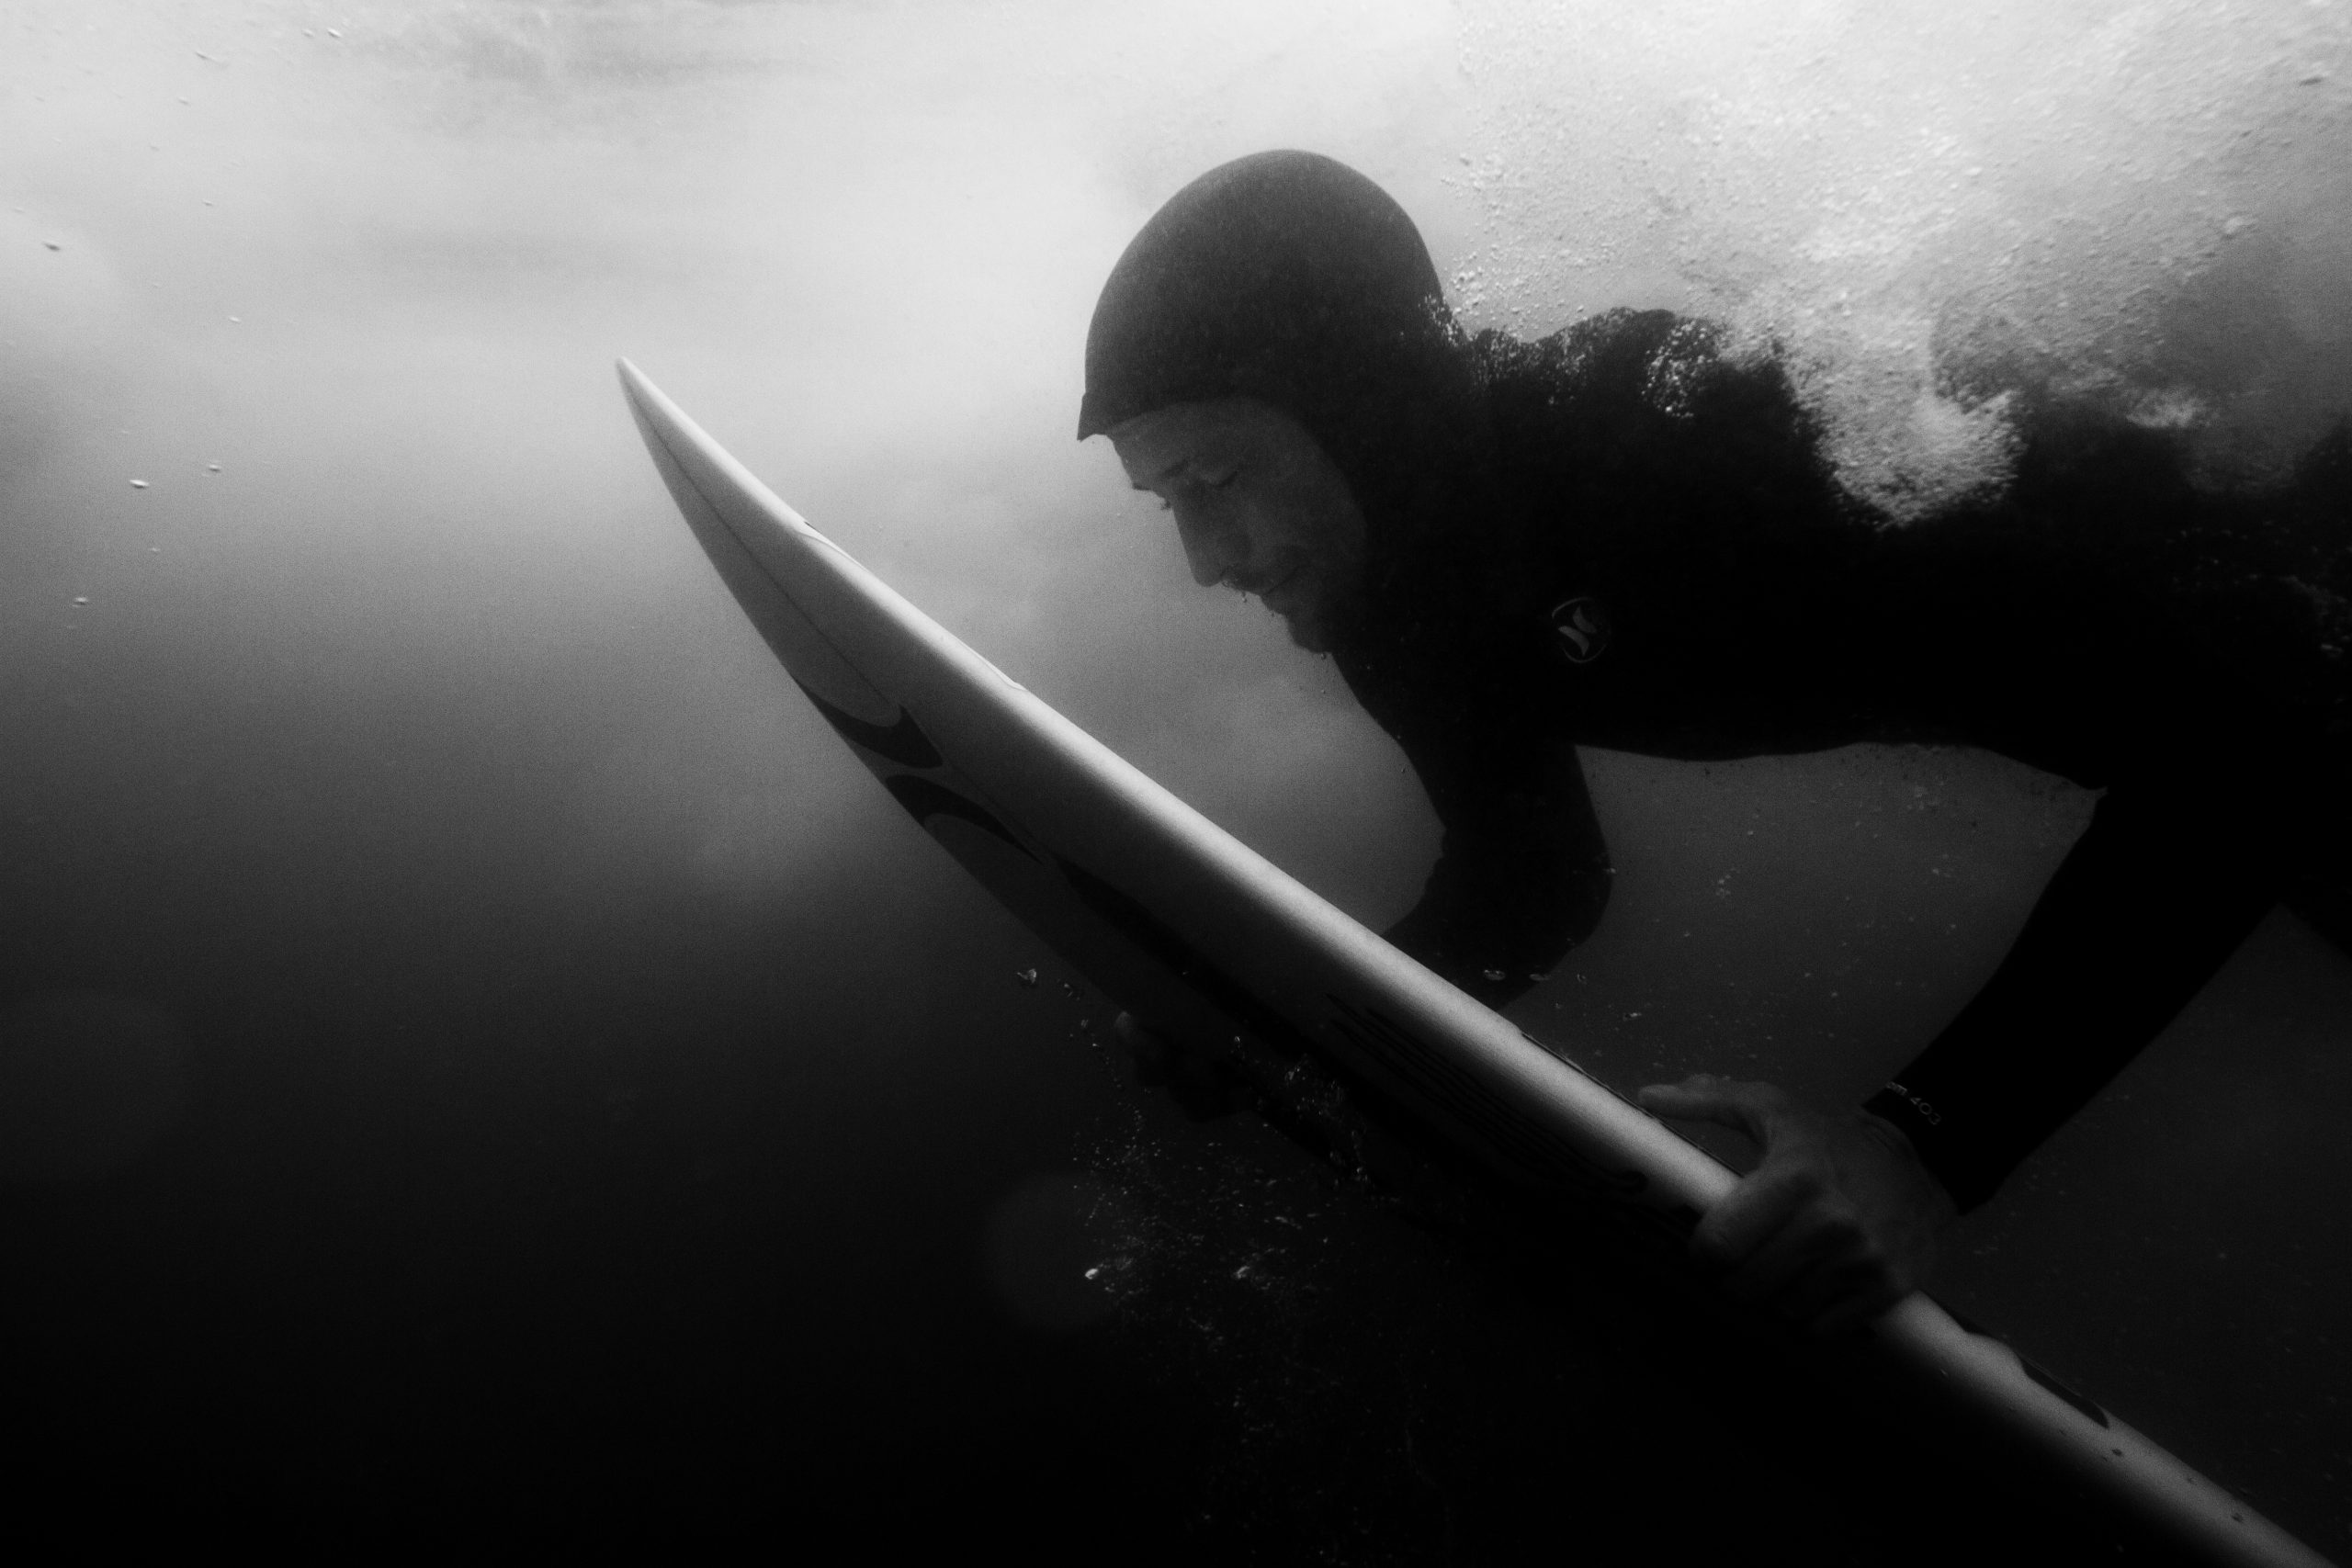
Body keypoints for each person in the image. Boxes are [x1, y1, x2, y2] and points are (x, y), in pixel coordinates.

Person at [1080, 150, 2351, 1337]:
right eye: (1167, 506)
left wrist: (1924, 1143)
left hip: (2298, 629)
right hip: (2245, 759)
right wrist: (1288, 1027)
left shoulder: (1667, 434)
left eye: (1215, 482)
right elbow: (1532, 881)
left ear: (1350, 408)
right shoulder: (1402, 611)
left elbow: (2244, 727)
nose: (1202, 565)